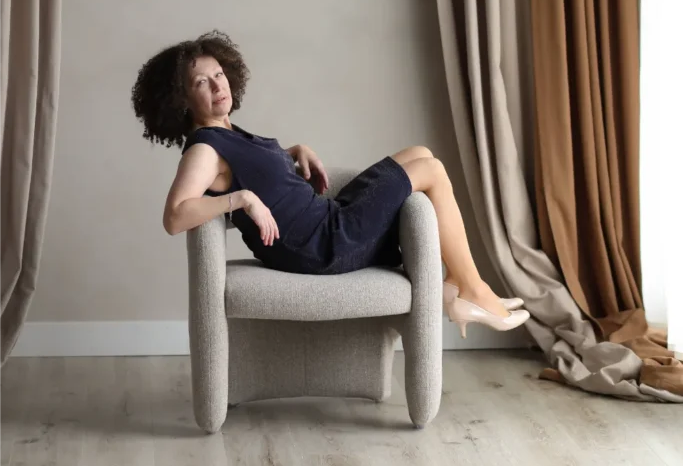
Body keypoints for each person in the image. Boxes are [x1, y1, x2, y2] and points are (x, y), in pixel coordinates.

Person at [131, 31, 530, 337]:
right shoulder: (204, 149)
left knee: (420, 152)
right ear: (182, 99)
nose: (219, 86)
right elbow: (174, 216)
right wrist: (241, 199)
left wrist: (293, 152)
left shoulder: (228, 132)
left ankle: (456, 283)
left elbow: (257, 172)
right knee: (433, 170)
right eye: (201, 82)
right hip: (321, 246)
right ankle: (474, 290)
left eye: (219, 74)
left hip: (327, 220)